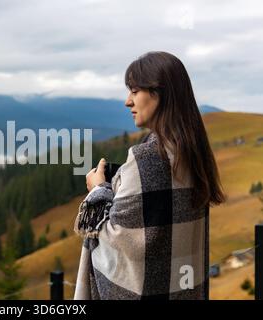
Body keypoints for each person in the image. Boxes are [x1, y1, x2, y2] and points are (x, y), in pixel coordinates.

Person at [73, 51, 225, 300]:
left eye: (134, 91)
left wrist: (98, 191)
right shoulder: (192, 153)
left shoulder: (146, 159)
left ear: (160, 94)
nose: (127, 101)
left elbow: (117, 243)